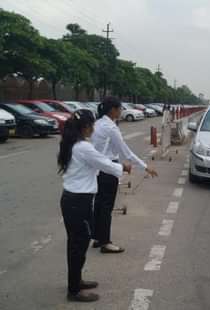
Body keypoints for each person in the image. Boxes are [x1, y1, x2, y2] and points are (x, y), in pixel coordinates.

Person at [58, 110, 132, 302]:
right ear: (84, 127)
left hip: (74, 200)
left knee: (77, 244)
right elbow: (104, 164)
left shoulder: (74, 144)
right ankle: (74, 290)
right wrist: (122, 167)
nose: (94, 128)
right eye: (92, 125)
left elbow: (97, 164)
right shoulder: (83, 147)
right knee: (78, 246)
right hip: (77, 202)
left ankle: (77, 280)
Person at [91, 97, 158, 254]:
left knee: (99, 205)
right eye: (120, 108)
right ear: (112, 110)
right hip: (109, 170)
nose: (121, 111)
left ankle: (98, 238)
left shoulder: (98, 123)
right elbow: (126, 152)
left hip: (97, 169)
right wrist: (145, 167)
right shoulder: (111, 128)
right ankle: (106, 243)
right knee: (106, 207)